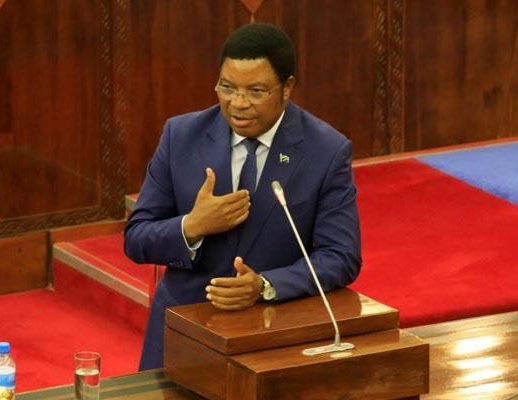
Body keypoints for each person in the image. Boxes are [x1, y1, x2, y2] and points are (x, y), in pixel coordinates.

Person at [123, 22, 362, 370]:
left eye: (256, 91)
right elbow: (136, 238)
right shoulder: (181, 136)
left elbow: (341, 255)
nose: (238, 103)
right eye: (227, 87)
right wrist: (192, 226)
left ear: (286, 88)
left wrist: (265, 285)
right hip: (181, 333)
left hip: (272, 337)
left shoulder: (325, 151)